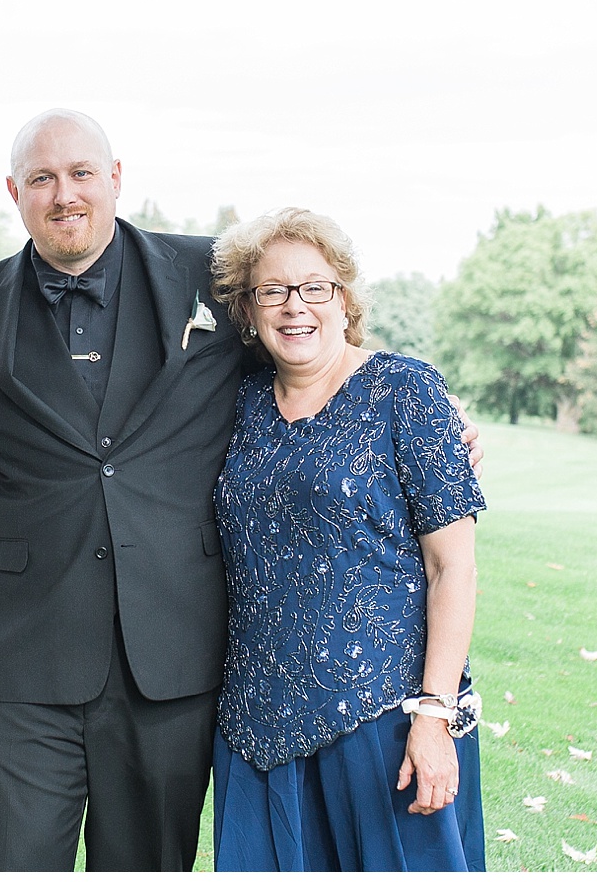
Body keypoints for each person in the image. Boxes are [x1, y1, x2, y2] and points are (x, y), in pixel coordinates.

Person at [0, 110, 482, 871]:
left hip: (173, 661)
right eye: (43, 178)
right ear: (13, 190)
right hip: (24, 655)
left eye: (83, 172)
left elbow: (311, 341)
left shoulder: (209, 278)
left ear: (116, 178)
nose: (65, 193)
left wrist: (427, 403)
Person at [207, 207, 486, 871]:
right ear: (249, 308)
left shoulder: (407, 393)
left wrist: (433, 717)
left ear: (344, 298)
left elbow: (455, 569)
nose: (293, 305)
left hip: (383, 724)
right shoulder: (233, 402)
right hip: (253, 730)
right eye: (271, 289)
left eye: (314, 287)